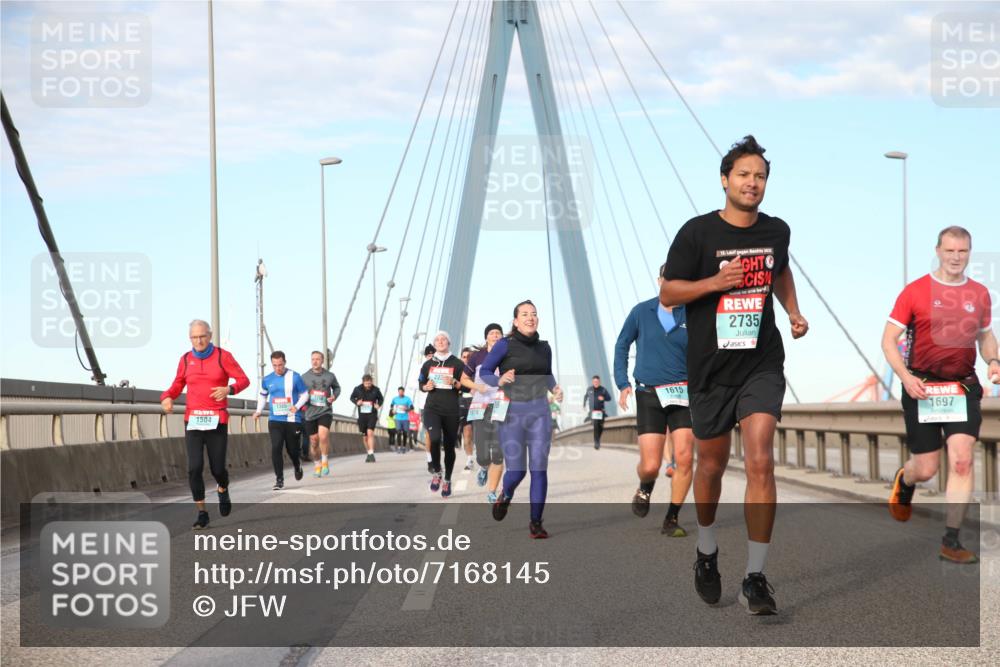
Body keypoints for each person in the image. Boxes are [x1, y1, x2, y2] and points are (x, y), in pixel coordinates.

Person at [661, 135, 808, 615]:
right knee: (711, 466)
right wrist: (715, 283)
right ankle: (706, 552)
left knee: (761, 459)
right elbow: (668, 294)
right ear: (725, 180)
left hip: (761, 362)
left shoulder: (777, 230)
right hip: (710, 370)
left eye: (760, 176)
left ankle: (755, 576)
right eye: (744, 174)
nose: (753, 182)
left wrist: (793, 312)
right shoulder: (697, 234)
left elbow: (779, 271)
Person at [884, 226, 999, 564]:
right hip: (922, 387)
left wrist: (993, 359)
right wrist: (905, 378)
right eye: (949, 250)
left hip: (961, 387)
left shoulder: (979, 294)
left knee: (962, 458)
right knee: (927, 468)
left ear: (969, 253)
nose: (955, 257)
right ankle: (906, 480)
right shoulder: (915, 291)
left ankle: (951, 540)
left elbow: (985, 336)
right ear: (938, 250)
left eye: (962, 251)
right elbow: (888, 341)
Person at [615, 266, 695, 537]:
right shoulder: (641, 312)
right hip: (649, 393)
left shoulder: (692, 313)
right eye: (667, 279)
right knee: (651, 465)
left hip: (684, 394)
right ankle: (645, 487)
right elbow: (622, 345)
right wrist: (623, 383)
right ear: (660, 281)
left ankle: (672, 518)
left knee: (684, 457)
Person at [481, 300, 563, 538]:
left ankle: (536, 523)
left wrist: (555, 388)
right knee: (517, 472)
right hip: (512, 413)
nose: (531, 317)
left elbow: (547, 375)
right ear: (515, 321)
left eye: (534, 314)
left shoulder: (544, 347)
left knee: (539, 468)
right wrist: (500, 379)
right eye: (525, 314)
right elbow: (486, 371)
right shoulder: (504, 345)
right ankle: (505, 495)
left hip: (539, 412)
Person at [161, 319, 249, 530]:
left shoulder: (222, 356)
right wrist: (167, 397)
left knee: (218, 468)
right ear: (190, 338)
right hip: (193, 420)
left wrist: (229, 390)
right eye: (194, 337)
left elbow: (244, 380)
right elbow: (177, 384)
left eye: (202, 336)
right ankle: (202, 513)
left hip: (216, 419)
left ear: (210, 336)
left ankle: (222, 488)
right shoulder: (185, 359)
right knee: (194, 468)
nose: (198, 341)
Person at [418, 331, 472, 498]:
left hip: (451, 410)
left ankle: (447, 479)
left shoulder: (457, 363)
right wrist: (425, 387)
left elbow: (467, 387)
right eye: (437, 340)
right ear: (434, 344)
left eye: (443, 339)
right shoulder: (428, 364)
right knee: (433, 439)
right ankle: (437, 472)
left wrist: (456, 383)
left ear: (449, 343)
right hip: (432, 408)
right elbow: (421, 382)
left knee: (449, 447)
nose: (440, 341)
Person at [254, 351, 308, 490]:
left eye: (280, 365)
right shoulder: (267, 379)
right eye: (275, 365)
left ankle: (297, 465)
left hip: (292, 419)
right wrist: (259, 410)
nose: (278, 368)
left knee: (292, 450)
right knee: (276, 447)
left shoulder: (294, 377)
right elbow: (263, 395)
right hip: (275, 419)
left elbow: (305, 394)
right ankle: (279, 479)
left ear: (285, 362)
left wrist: (296, 406)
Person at [466, 323, 506, 502]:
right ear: (486, 337)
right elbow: (463, 378)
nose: (496, 335)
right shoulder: (477, 356)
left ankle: (492, 491)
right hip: (479, 405)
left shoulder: (508, 355)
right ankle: (483, 466)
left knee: (498, 451)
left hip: (501, 405)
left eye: (499, 333)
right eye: (492, 333)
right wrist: (476, 387)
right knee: (482, 452)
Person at [301, 350, 340, 478]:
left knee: (323, 436)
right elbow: (299, 392)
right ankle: (317, 464)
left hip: (325, 411)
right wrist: (302, 401)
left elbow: (337, 388)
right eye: (313, 359)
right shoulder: (304, 377)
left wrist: (334, 396)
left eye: (318, 359)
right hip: (310, 412)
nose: (315, 361)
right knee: (314, 441)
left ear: (322, 361)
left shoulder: (330, 376)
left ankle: (324, 461)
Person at [349, 374, 384, 462]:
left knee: (370, 432)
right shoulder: (357, 389)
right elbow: (352, 397)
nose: (368, 385)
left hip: (372, 414)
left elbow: (381, 399)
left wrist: (378, 405)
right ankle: (368, 453)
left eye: (369, 383)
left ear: (371, 382)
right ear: (363, 382)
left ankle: (371, 453)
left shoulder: (376, 390)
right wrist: (357, 402)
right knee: (365, 437)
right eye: (366, 384)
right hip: (362, 415)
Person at [459, 347, 476, 471]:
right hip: (462, 403)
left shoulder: (478, 370)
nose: (466, 359)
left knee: (480, 433)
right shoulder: (456, 371)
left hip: (478, 403)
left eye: (469, 357)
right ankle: (470, 459)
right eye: (464, 357)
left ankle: (484, 457)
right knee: (467, 433)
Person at [584, 376, 613, 449]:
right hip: (592, 412)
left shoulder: (603, 390)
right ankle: (596, 442)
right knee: (596, 425)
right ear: (592, 382)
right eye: (594, 382)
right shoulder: (589, 389)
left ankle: (598, 439)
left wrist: (603, 398)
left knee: (600, 427)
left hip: (601, 412)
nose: (596, 383)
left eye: (597, 382)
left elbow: (609, 398)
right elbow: (585, 397)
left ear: (599, 382)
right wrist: (584, 404)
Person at [391, 387, 414, 452]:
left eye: (402, 391)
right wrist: (393, 411)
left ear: (403, 392)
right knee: (398, 432)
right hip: (398, 418)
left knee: (405, 433)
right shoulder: (395, 399)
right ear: (398, 392)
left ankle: (403, 447)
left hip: (405, 418)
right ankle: (398, 447)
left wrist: (407, 409)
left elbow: (412, 407)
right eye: (399, 391)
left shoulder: (407, 399)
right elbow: (391, 405)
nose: (400, 393)